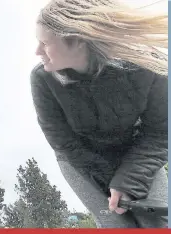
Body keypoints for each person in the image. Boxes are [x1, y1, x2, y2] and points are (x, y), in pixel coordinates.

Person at [30, 0, 168, 228]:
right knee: (116, 224)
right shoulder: (42, 80)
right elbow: (63, 143)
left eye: (44, 43)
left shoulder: (147, 66)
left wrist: (129, 181)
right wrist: (111, 184)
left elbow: (160, 131)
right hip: (79, 157)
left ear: (79, 41)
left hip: (136, 151)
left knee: (157, 222)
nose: (37, 51)